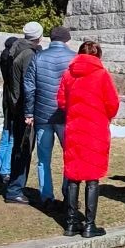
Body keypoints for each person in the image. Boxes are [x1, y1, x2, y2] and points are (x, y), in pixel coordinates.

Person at [56, 41, 120, 238]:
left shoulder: (68, 74)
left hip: (74, 129)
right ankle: (90, 225)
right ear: (98, 55)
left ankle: (71, 223)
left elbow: (61, 101)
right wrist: (103, 115)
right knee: (92, 178)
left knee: (73, 176)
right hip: (95, 130)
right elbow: (112, 103)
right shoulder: (101, 75)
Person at [23, 25, 75, 210]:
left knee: (43, 158)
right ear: (67, 40)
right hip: (66, 114)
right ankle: (69, 193)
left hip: (42, 114)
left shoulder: (38, 57)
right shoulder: (74, 58)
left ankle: (46, 196)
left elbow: (29, 87)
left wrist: (29, 112)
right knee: (70, 156)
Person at [0, 21, 43, 201]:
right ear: (39, 36)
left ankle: (15, 186)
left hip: (14, 104)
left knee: (18, 147)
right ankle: (15, 190)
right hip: (24, 107)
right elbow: (28, 85)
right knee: (23, 149)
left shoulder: (12, 50)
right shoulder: (28, 54)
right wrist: (29, 112)